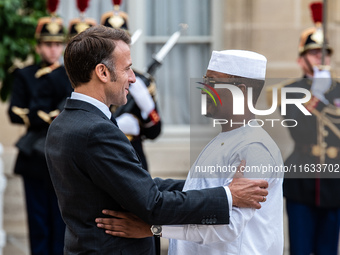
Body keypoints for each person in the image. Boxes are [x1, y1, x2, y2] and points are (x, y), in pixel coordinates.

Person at [45, 25, 269, 255]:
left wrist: (211, 187)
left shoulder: (64, 122)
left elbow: (139, 186)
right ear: (102, 72)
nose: (133, 78)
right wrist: (228, 195)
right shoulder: (95, 130)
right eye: (128, 69)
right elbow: (153, 204)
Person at [95, 50, 284, 255]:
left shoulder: (255, 149)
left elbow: (229, 227)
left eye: (212, 81)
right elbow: (197, 194)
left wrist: (153, 228)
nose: (204, 89)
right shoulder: (224, 139)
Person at [266, 10, 340, 254]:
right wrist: (316, 96)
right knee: (300, 248)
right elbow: (299, 131)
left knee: (328, 249)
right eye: (314, 52)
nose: (320, 57)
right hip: (302, 180)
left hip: (335, 180)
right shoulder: (289, 91)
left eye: (324, 52)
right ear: (301, 60)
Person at [7, 16, 72, 255]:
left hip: (61, 158)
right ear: (38, 46)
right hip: (34, 157)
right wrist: (43, 115)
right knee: (38, 222)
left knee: (60, 220)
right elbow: (15, 112)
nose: (52, 49)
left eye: (57, 44)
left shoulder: (70, 75)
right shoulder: (25, 74)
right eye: (47, 44)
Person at [101, 6, 161, 170]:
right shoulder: (93, 77)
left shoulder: (139, 81)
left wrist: (147, 109)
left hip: (134, 156)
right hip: (103, 155)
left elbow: (154, 132)